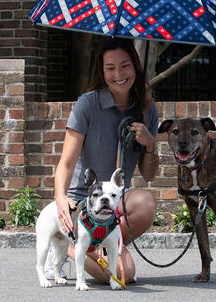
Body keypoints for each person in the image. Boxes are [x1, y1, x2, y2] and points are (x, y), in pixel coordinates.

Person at [47, 37, 159, 284]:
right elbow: (65, 163)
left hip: (114, 202)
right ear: (102, 71)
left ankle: (94, 245)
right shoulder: (88, 104)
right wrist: (60, 199)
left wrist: (150, 144)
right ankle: (67, 242)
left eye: (125, 65)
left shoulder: (147, 109)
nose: (118, 74)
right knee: (124, 275)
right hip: (83, 203)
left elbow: (149, 174)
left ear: (135, 67)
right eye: (110, 68)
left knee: (146, 203)